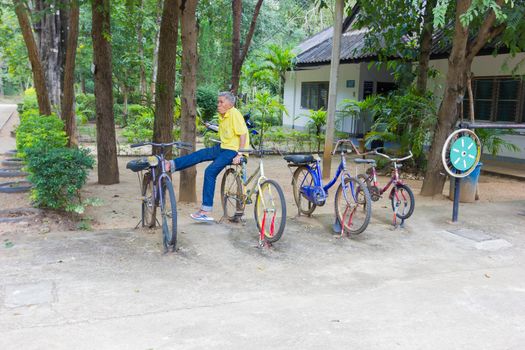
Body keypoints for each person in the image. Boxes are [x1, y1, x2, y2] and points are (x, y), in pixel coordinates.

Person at [166, 91, 249, 222]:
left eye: (221, 102)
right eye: (218, 101)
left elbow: (243, 134)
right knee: (200, 154)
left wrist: (241, 153)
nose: (218, 104)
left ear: (229, 103)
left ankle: (205, 211)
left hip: (232, 151)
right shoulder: (224, 115)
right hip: (223, 147)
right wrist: (211, 126)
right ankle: (172, 164)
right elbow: (227, 131)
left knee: (210, 172)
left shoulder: (235, 113)